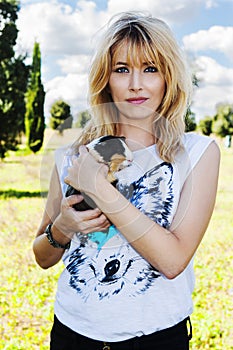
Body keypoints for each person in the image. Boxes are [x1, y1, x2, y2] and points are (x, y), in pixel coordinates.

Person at [33, 11, 220, 350]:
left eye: (150, 68)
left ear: (168, 77)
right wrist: (62, 226)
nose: (136, 83)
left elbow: (173, 261)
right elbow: (42, 255)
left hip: (155, 338)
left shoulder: (196, 152)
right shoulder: (72, 156)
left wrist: (99, 190)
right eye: (122, 69)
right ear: (106, 79)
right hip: (72, 333)